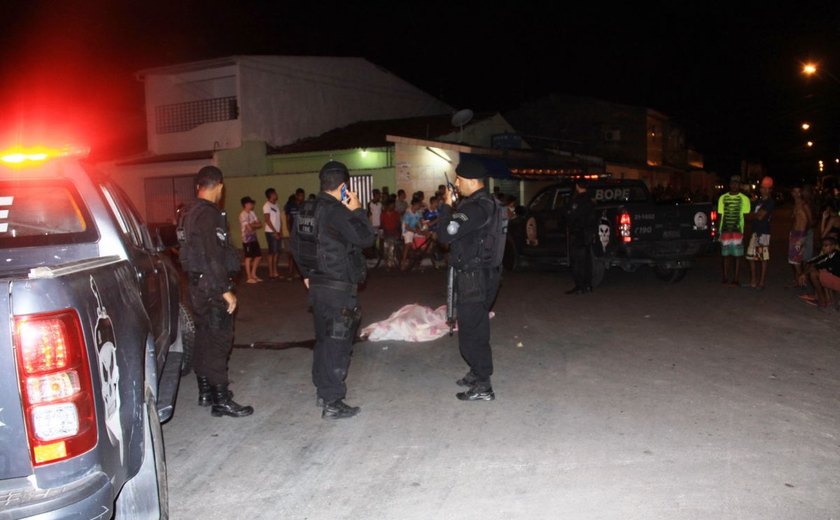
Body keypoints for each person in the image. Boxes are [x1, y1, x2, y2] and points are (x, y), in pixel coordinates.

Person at [290, 160, 376, 419]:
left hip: (317, 285)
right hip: (338, 287)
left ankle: (322, 391)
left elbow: (294, 244)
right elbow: (366, 238)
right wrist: (358, 211)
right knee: (338, 343)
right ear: (343, 187)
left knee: (324, 341)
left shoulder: (306, 210)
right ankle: (332, 401)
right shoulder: (338, 211)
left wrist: (306, 274)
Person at [178, 166, 253, 418]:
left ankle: (206, 391)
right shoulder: (209, 214)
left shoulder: (188, 212)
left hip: (196, 285)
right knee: (220, 341)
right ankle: (220, 399)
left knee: (203, 338)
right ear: (219, 186)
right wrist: (225, 290)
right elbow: (213, 255)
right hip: (212, 286)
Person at [437, 157, 508, 402]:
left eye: (458, 179)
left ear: (469, 181)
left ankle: (483, 384)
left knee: (471, 332)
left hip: (474, 277)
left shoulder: (475, 208)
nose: (456, 183)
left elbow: (446, 234)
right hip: (485, 273)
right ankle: (476, 372)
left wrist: (446, 206)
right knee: (475, 326)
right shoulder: (489, 203)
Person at [717, 175, 751, 286]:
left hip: (737, 230)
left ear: (739, 185)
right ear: (730, 184)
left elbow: (746, 217)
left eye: (737, 183)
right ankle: (725, 276)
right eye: (733, 183)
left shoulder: (745, 199)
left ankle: (736, 278)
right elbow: (720, 216)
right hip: (725, 229)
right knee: (725, 254)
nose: (734, 185)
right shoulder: (722, 198)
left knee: (738, 255)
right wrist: (719, 231)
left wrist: (744, 232)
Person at [565, 179, 595, 294]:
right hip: (588, 233)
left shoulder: (577, 201)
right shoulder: (591, 200)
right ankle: (588, 285)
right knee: (587, 260)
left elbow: (571, 216)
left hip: (578, 234)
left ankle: (580, 286)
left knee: (577, 261)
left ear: (577, 186)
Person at [745, 176, 775, 289]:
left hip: (764, 232)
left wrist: (753, 215)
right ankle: (753, 279)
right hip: (755, 230)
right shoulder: (757, 201)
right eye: (763, 187)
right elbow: (749, 216)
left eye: (767, 188)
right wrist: (754, 215)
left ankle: (761, 282)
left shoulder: (770, 202)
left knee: (763, 257)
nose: (764, 190)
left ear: (770, 189)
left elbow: (760, 216)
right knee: (750, 256)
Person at [798, 236, 840, 308]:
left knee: (814, 274)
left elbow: (815, 266)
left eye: (826, 246)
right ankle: (828, 298)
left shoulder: (835, 256)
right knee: (822, 270)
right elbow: (811, 262)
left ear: (833, 246)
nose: (823, 248)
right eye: (823, 245)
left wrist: (803, 274)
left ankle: (822, 301)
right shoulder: (829, 255)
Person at [787, 185, 813, 287]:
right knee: (794, 259)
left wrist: (804, 234)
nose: (797, 194)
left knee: (797, 259)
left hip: (801, 234)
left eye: (799, 192)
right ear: (792, 193)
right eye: (795, 192)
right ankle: (800, 280)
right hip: (794, 233)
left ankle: (801, 280)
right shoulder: (795, 204)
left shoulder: (804, 205)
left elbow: (810, 221)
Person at [239, 196, 262, 283]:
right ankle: (249, 277)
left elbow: (260, 224)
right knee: (248, 257)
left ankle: (253, 274)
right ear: (246, 204)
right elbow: (249, 228)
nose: (252, 205)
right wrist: (253, 224)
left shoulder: (252, 213)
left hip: (254, 238)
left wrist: (252, 224)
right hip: (247, 239)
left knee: (258, 256)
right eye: (250, 203)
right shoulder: (242, 215)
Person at [284, 188, 305, 279]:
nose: (302, 197)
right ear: (296, 195)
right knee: (291, 253)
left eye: (303, 196)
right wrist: (289, 231)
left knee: (300, 253)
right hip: (292, 232)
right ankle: (290, 272)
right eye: (300, 195)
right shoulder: (290, 205)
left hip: (301, 232)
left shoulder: (303, 205)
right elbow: (287, 219)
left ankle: (299, 272)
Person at [263, 188, 282, 280]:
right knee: (272, 252)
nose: (276, 194)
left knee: (277, 252)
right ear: (271, 195)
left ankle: (275, 271)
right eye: (275, 193)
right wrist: (274, 231)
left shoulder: (276, 205)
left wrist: (280, 231)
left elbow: (279, 219)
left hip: (277, 231)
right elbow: (267, 220)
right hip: (271, 232)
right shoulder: (267, 205)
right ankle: (271, 272)